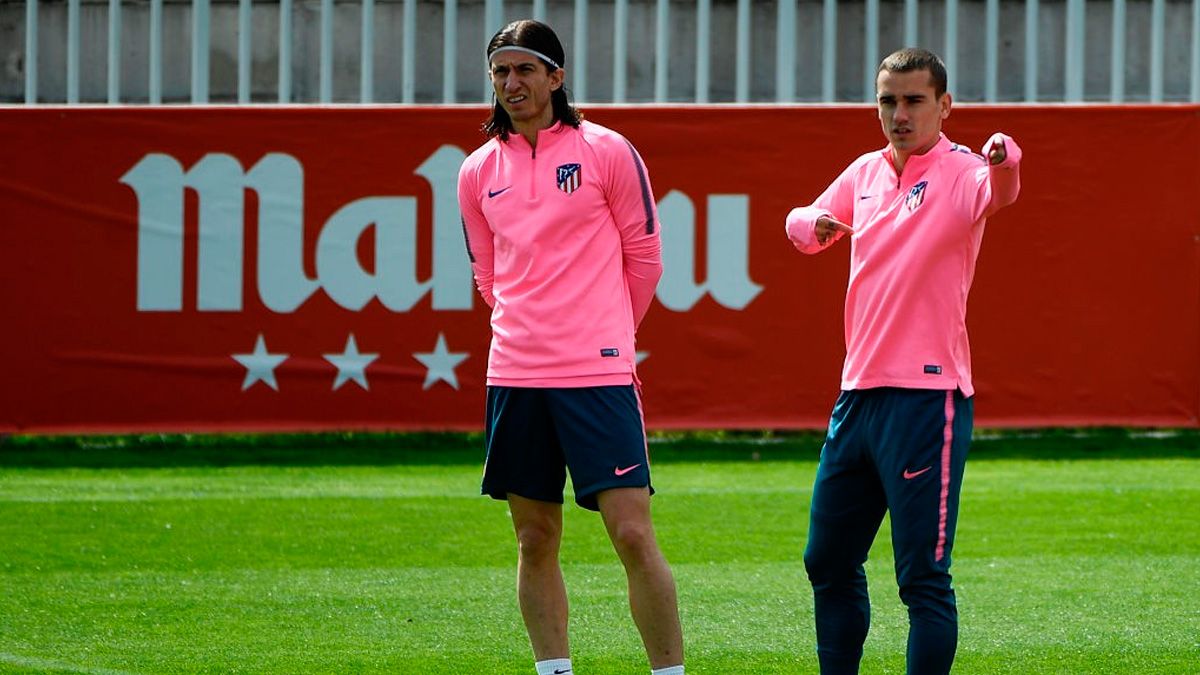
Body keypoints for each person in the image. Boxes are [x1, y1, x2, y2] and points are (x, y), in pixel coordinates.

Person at [456, 19, 684, 675]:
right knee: (534, 538)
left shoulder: (607, 151)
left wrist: (606, 331)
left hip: (598, 374)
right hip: (516, 375)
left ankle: (669, 671)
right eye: (501, 71)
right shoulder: (476, 172)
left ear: (556, 77)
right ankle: (554, 669)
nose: (511, 82)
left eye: (525, 69)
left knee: (633, 534)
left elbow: (644, 257)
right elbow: (488, 276)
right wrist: (531, 328)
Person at [785, 47, 1022, 674]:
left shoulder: (961, 170)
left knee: (921, 576)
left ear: (945, 106)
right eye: (888, 100)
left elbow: (998, 192)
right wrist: (815, 222)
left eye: (915, 100)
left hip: (928, 400)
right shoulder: (864, 172)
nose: (899, 113)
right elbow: (800, 225)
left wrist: (1004, 156)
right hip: (857, 395)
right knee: (827, 560)